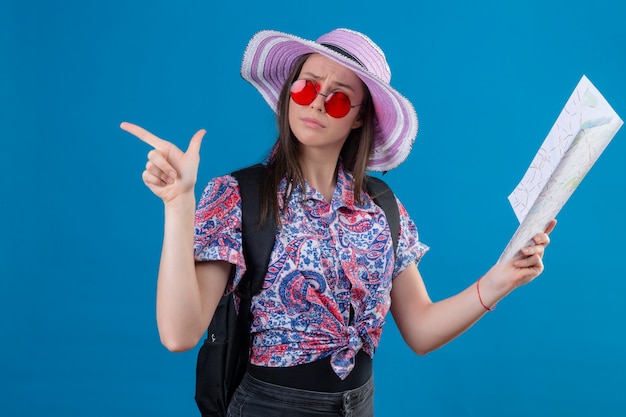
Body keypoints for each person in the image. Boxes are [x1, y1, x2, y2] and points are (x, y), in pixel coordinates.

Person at [121, 28, 556, 417]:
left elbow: (421, 330)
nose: (319, 104)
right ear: (290, 92)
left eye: (340, 97)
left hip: (359, 404)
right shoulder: (239, 195)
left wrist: (502, 279)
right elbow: (179, 334)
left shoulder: (381, 207)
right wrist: (179, 203)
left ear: (359, 116)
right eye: (307, 87)